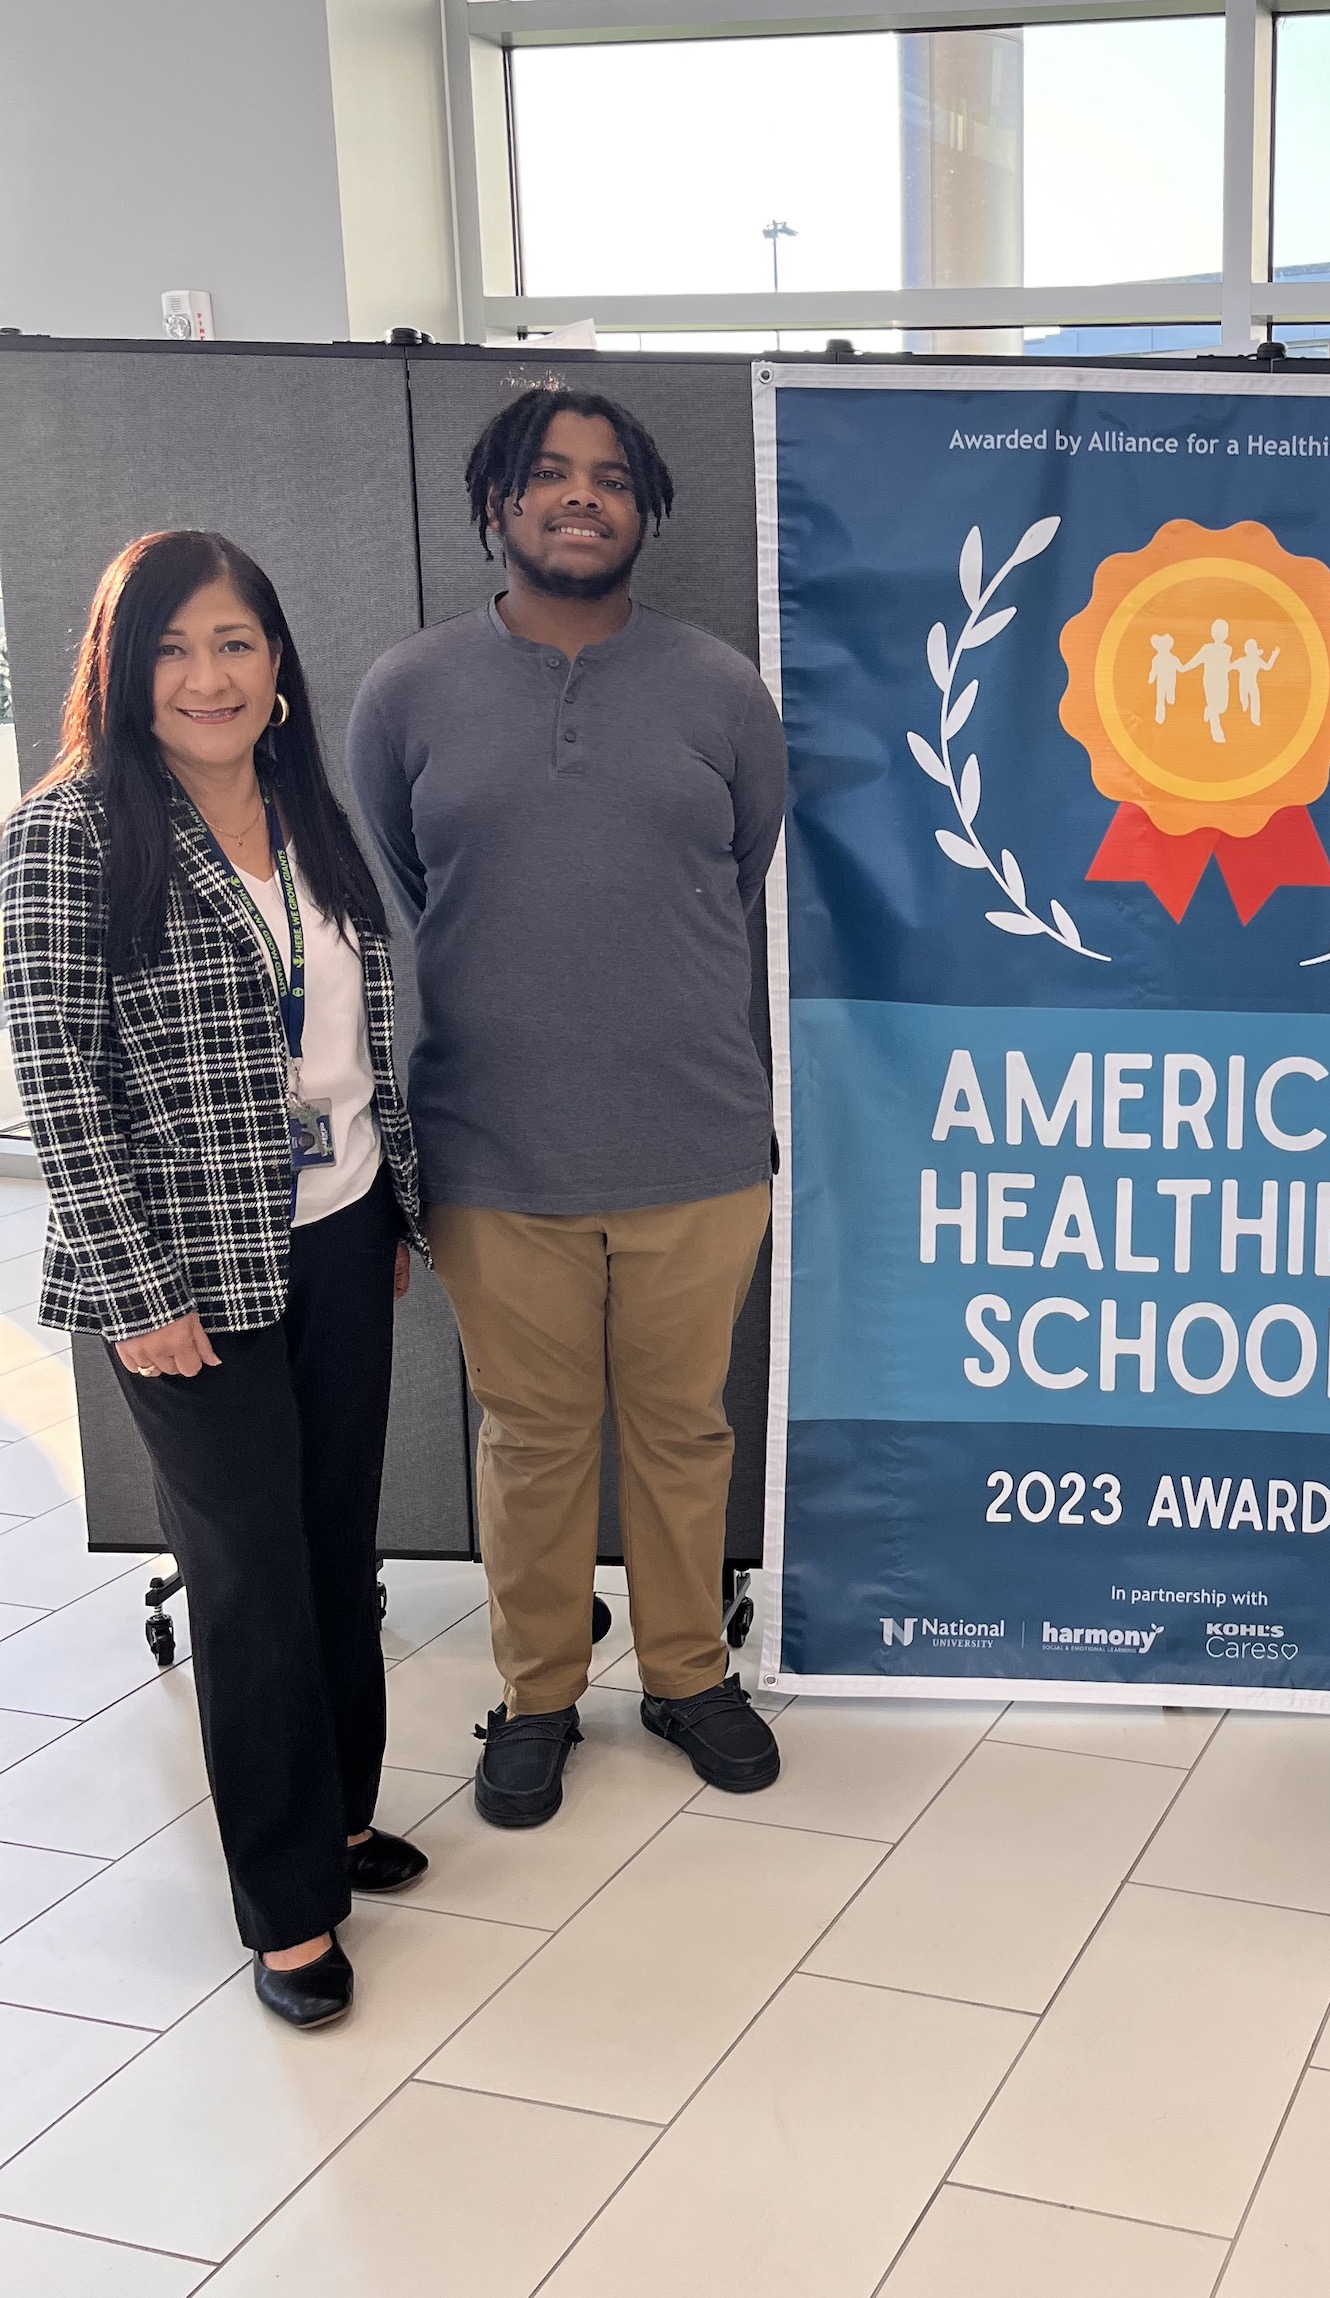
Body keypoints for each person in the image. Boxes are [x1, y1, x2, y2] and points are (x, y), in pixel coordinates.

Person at [1, 532, 426, 2028]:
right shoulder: (70, 830)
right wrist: (136, 1288)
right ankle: (289, 1907)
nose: (207, 676)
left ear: (278, 664)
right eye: (173, 648)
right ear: (120, 670)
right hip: (185, 1268)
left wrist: (384, 1213)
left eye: (236, 642)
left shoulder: (308, 807)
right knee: (248, 1581)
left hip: (344, 1220)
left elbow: (357, 1024)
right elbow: (56, 1078)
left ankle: (345, 1815)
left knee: (334, 1546)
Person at [349, 388, 787, 1826]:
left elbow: (736, 879)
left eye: (609, 478)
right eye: (548, 477)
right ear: (497, 506)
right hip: (495, 1152)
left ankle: (683, 1672)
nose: (579, 497)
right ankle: (537, 1693)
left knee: (682, 1429)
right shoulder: (407, 692)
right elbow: (415, 899)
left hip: (697, 1142)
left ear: (645, 509)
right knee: (531, 1442)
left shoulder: (721, 688)